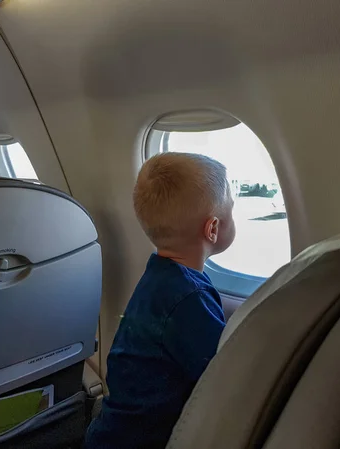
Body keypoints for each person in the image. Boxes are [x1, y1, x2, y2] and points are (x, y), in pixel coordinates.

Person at [85, 152, 236, 449]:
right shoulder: (189, 298)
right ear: (213, 229)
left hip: (114, 431)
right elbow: (222, 378)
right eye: (232, 209)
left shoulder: (160, 275)